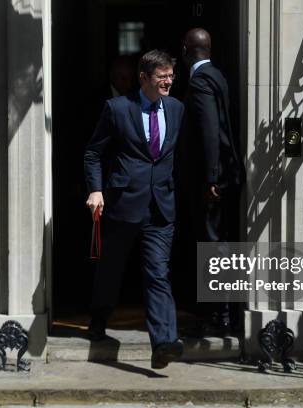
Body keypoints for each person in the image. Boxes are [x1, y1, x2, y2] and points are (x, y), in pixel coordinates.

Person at [84, 49, 184, 369]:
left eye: (171, 75)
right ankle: (98, 320)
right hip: (124, 203)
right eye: (161, 77)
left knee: (158, 273)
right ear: (144, 78)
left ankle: (164, 342)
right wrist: (96, 189)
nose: (168, 81)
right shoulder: (117, 108)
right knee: (111, 270)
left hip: (161, 208)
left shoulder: (177, 108)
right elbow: (93, 153)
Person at [181, 28, 243, 336]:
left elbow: (208, 131)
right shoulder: (217, 74)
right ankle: (222, 312)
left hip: (212, 179)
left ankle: (219, 316)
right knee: (219, 244)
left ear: (186, 49)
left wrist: (210, 178)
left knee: (212, 246)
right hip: (225, 173)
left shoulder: (200, 80)